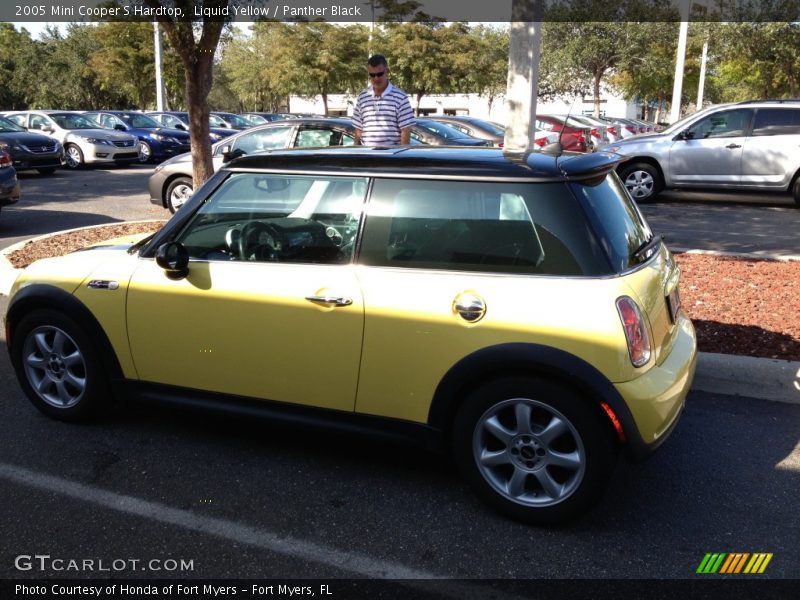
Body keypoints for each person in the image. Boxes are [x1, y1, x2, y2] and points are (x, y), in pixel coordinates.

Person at [352, 54, 414, 146]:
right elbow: (358, 130)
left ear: (387, 71)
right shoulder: (362, 97)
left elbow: (405, 130)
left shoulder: (400, 97)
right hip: (366, 156)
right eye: (372, 75)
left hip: (390, 157)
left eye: (379, 74)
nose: (376, 78)